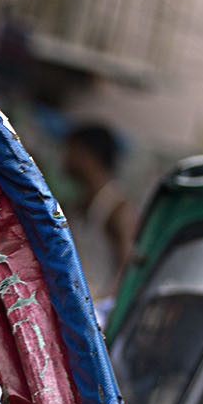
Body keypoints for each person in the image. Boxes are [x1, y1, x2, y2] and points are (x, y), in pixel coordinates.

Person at [64, 121, 137, 325]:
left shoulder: (117, 209)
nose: (64, 158)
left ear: (87, 154)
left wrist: (99, 308)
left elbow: (128, 270)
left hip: (99, 317)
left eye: (70, 150)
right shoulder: (77, 206)